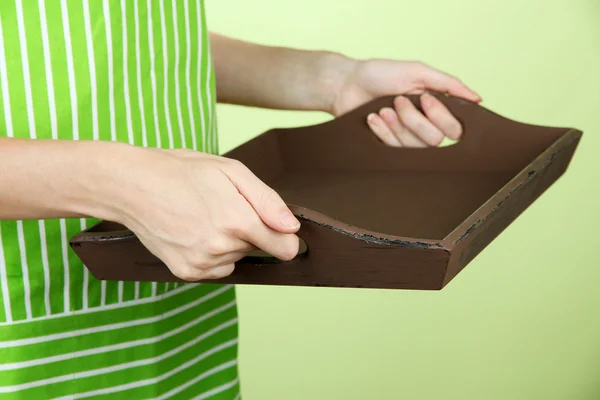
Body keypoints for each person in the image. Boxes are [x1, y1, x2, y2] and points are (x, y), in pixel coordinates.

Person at [0, 1, 480, 398]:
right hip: (27, 346)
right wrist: (121, 184)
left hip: (180, 328)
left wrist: (331, 79)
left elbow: (120, 35)